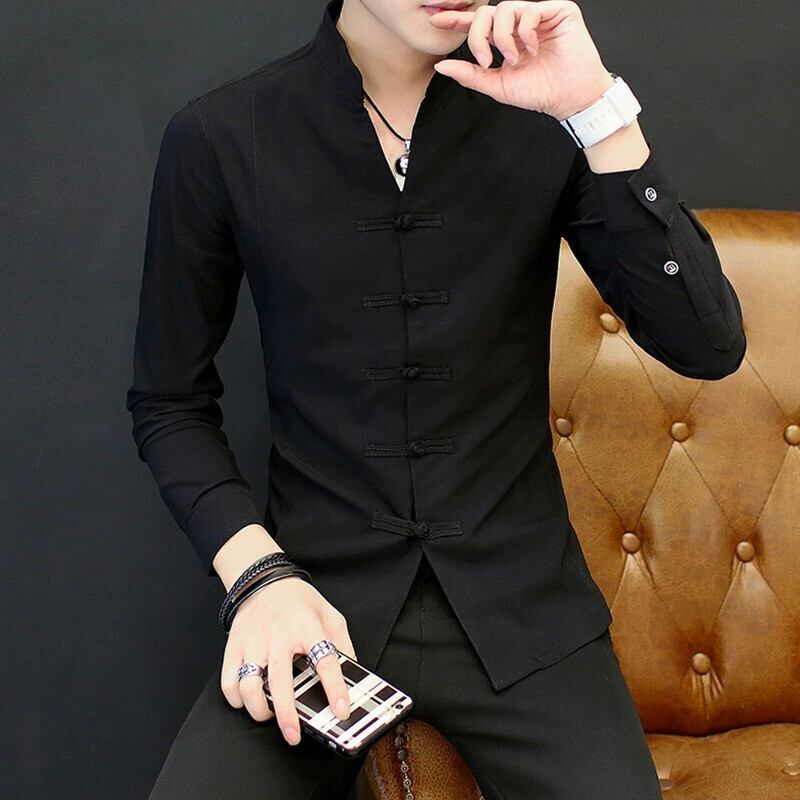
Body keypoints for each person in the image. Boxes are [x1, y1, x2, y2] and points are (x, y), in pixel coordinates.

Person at [125, 0, 746, 797]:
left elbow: (708, 346)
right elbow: (169, 401)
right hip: (316, 610)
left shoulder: (546, 117)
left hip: (525, 616)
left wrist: (597, 109)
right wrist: (260, 578)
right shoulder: (222, 135)